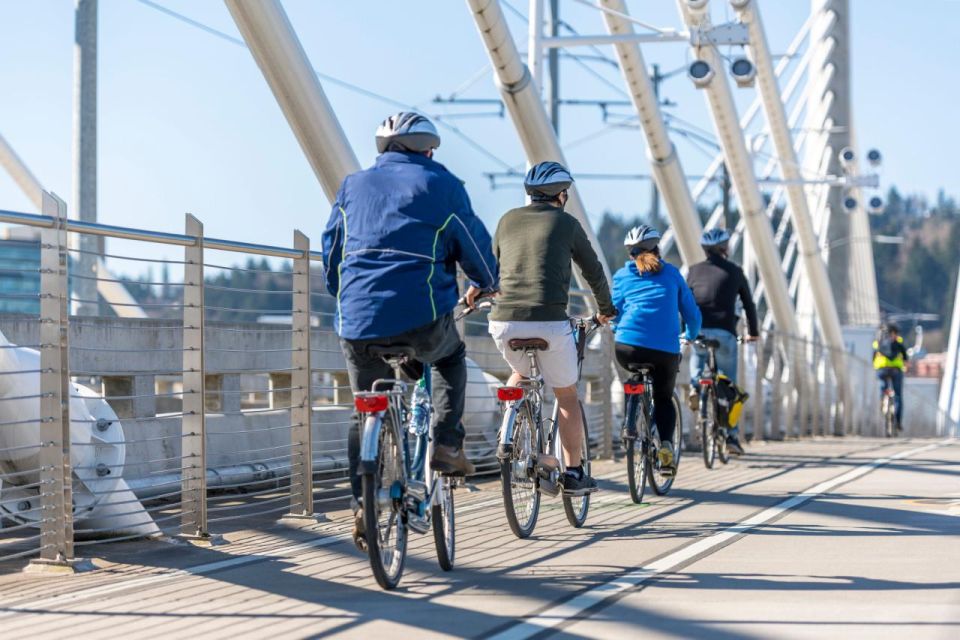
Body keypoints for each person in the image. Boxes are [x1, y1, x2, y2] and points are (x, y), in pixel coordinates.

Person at [322, 112, 498, 549]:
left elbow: (332, 251)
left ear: (383, 149)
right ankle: (446, 443)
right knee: (449, 357)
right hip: (422, 315)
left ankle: (362, 502)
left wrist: (343, 293)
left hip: (357, 318)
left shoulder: (351, 185)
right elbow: (474, 247)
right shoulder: (443, 186)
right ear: (429, 150)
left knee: (365, 406)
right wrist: (486, 282)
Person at [488, 161, 615, 494]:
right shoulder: (566, 223)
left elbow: (491, 267)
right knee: (566, 396)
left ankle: (508, 427)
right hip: (549, 321)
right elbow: (593, 271)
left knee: (520, 374)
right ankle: (573, 474)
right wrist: (604, 310)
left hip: (503, 321)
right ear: (561, 195)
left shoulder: (506, 220)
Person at [612, 225, 702, 475]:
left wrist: (616, 327)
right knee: (663, 398)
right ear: (658, 249)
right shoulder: (672, 274)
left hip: (627, 346)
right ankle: (665, 449)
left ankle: (630, 421)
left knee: (633, 378)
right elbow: (692, 315)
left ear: (631, 254)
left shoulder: (621, 276)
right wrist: (691, 336)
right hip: (664, 350)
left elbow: (612, 311)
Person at [685, 228, 759, 455]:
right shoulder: (735, 271)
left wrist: (684, 331)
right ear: (726, 248)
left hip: (699, 330)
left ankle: (696, 385)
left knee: (698, 358)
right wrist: (753, 332)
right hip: (725, 332)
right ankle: (731, 437)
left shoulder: (694, 271)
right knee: (729, 386)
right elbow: (749, 304)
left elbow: (685, 303)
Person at [873, 323, 909, 430]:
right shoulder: (899, 343)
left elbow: (873, 357)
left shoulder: (878, 343)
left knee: (883, 387)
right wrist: (905, 366)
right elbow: (905, 358)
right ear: (895, 334)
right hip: (896, 371)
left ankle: (882, 403)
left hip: (882, 370)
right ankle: (898, 421)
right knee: (898, 396)